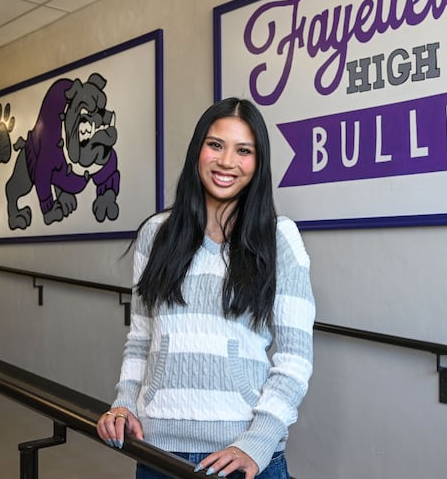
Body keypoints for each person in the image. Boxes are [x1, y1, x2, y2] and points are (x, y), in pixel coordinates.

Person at [97, 97, 315, 479]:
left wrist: (259, 441)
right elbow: (141, 338)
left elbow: (295, 360)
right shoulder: (156, 234)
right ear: (198, 149)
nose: (227, 161)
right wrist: (124, 402)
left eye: (243, 150)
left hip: (242, 454)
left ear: (258, 162)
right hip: (158, 450)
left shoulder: (280, 238)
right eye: (215, 145)